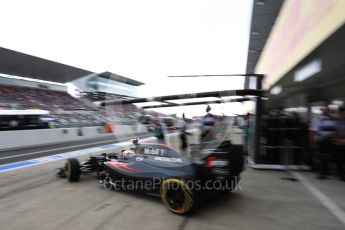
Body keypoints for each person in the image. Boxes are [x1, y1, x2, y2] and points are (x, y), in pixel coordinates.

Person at [309, 105, 337, 179]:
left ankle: (326, 171)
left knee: (328, 157)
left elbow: (335, 130)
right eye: (324, 110)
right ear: (322, 111)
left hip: (330, 141)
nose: (326, 111)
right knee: (322, 157)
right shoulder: (316, 119)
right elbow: (312, 130)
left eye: (327, 110)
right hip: (321, 141)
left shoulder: (333, 119)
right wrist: (313, 140)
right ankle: (321, 173)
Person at [333, 107, 345, 181]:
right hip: (338, 142)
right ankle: (341, 173)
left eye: (343, 113)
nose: (342, 114)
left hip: (342, 142)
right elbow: (337, 133)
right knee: (339, 158)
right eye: (340, 113)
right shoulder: (337, 121)